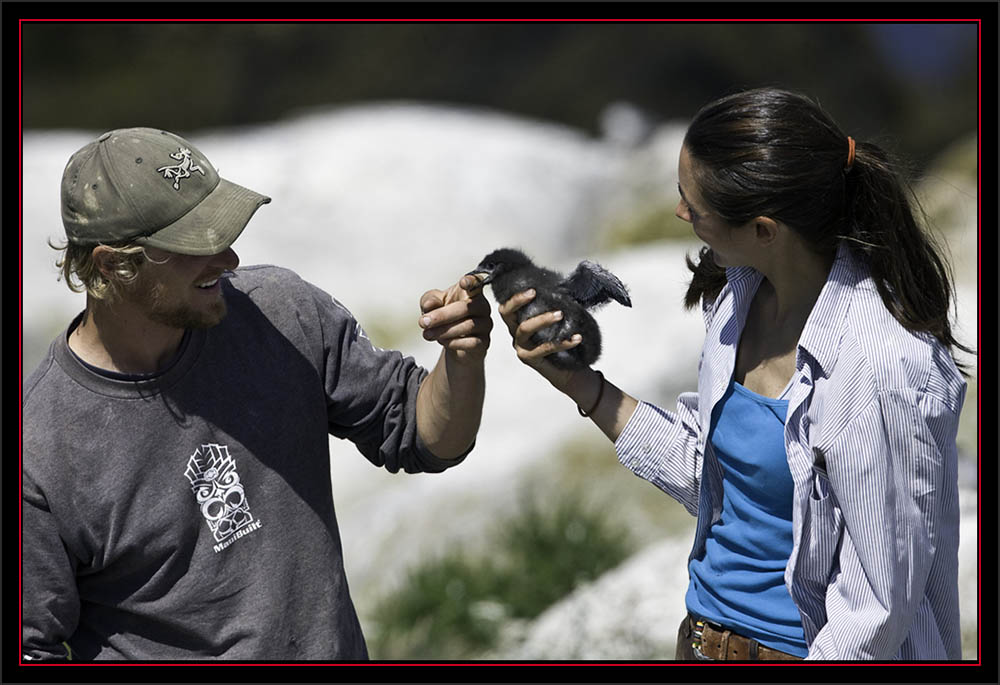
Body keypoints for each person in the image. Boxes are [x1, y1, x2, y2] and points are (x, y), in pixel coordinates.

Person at [497, 88, 969, 660]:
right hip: (700, 641)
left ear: (764, 230)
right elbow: (713, 481)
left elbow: (876, 609)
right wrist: (581, 385)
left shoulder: (883, 365)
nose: (680, 213)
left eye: (692, 203)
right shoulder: (738, 301)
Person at [21, 127, 493, 661]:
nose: (229, 259)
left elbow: (425, 438)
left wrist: (461, 357)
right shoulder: (38, 450)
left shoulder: (280, 312)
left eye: (222, 233)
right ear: (112, 264)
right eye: (194, 246)